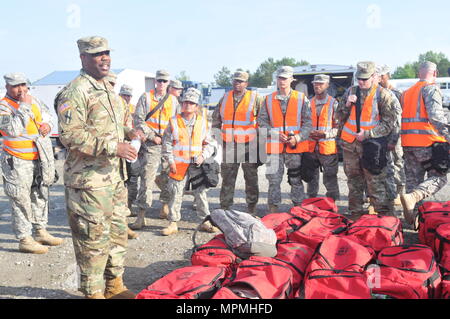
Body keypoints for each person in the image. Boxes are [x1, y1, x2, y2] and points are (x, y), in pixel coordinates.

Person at [56, 36, 140, 299]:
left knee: (116, 235)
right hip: (88, 182)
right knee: (92, 242)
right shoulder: (75, 91)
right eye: (96, 54)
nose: (104, 58)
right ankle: (93, 293)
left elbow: (113, 125)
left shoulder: (107, 88)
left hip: (113, 178)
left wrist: (130, 131)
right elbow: (69, 136)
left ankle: (114, 285)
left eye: (106, 53)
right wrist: (114, 147)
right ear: (83, 58)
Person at [0, 73, 62, 254]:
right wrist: (24, 106)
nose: (21, 90)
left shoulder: (34, 100)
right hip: (17, 161)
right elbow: (13, 130)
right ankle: (25, 239)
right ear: (7, 87)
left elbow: (48, 115)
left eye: (23, 85)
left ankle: (40, 231)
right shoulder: (4, 107)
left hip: (38, 158)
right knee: (21, 199)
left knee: (40, 194)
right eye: (16, 86)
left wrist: (48, 126)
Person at [336, 61, 397, 219]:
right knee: (354, 182)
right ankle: (356, 216)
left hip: (371, 146)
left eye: (365, 79)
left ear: (374, 76)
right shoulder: (350, 91)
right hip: (350, 146)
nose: (361, 82)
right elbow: (339, 117)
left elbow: (389, 124)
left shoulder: (383, 94)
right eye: (359, 79)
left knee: (376, 182)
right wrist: (347, 104)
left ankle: (385, 219)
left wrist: (368, 134)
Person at [161, 88, 219, 236]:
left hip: (196, 165)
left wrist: (204, 156)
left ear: (196, 106)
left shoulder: (203, 122)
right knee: (175, 192)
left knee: (200, 193)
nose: (188, 105)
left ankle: (205, 221)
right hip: (178, 164)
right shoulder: (174, 121)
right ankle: (173, 223)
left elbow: (210, 143)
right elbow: (166, 142)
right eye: (186, 102)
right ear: (182, 103)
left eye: (191, 103)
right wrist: (170, 160)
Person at [400, 61, 450, 225]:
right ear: (435, 73)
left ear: (418, 72)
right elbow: (436, 117)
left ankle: (415, 219)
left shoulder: (406, 93)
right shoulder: (431, 88)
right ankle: (414, 197)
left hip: (408, 143)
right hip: (428, 142)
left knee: (413, 180)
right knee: (440, 178)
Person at [258, 66, 312, 214]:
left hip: (294, 148)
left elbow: (308, 123)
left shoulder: (301, 99)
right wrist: (275, 133)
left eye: (285, 78)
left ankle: (298, 209)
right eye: (280, 78)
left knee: (296, 179)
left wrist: (298, 137)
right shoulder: (268, 99)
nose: (282, 81)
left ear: (291, 80)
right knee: (273, 180)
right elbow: (261, 122)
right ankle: (273, 210)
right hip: (274, 147)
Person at [131, 70, 180, 230]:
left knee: (168, 176)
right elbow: (138, 120)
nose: (161, 84)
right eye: (159, 81)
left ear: (168, 83)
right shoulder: (146, 97)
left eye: (164, 81)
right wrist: (152, 136)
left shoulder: (173, 101)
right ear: (155, 82)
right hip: (151, 144)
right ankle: (141, 215)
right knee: (147, 178)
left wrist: (170, 139)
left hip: (168, 144)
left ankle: (164, 204)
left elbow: (178, 122)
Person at [212, 71, 263, 215]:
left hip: (249, 145)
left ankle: (251, 207)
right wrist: (217, 136)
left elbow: (263, 120)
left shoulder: (255, 98)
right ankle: (225, 207)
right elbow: (216, 118)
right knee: (227, 178)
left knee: (251, 178)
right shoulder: (225, 98)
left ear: (246, 83)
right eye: (235, 81)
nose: (237, 83)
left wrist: (259, 143)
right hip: (229, 145)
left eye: (240, 81)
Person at [306, 74, 340, 201]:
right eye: (315, 83)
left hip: (328, 149)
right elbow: (303, 124)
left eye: (320, 83)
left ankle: (332, 203)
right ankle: (310, 202)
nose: (317, 86)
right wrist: (309, 132)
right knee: (311, 178)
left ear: (327, 85)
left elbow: (339, 127)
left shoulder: (334, 103)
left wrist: (325, 134)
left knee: (330, 178)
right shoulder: (308, 103)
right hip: (311, 148)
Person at [377, 65, 405, 207]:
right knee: (385, 167)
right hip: (381, 135)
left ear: (386, 76)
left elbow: (400, 119)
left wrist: (394, 139)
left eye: (382, 76)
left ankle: (401, 195)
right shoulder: (377, 93)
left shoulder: (397, 93)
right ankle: (390, 194)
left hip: (395, 136)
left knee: (398, 165)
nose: (380, 79)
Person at [119, 84, 140, 240]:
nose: (126, 98)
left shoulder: (133, 108)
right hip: (117, 151)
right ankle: (122, 225)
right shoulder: (113, 106)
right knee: (120, 188)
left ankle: (126, 215)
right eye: (124, 95)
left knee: (132, 181)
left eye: (128, 96)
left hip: (132, 150)